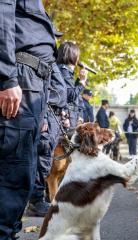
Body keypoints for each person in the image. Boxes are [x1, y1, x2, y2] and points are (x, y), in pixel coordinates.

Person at [0, 1, 59, 238]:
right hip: (20, 77)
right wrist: (6, 77)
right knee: (13, 173)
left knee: (22, 171)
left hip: (32, 82)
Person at [27, 62, 67, 217]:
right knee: (42, 160)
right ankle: (36, 201)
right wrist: (42, 115)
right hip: (45, 114)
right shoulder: (48, 60)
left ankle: (38, 200)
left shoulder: (51, 61)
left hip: (53, 116)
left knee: (44, 162)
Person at [57, 41, 87, 135]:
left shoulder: (63, 70)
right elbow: (70, 96)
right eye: (77, 55)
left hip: (70, 116)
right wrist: (82, 81)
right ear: (72, 55)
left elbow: (70, 91)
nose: (78, 58)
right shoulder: (63, 70)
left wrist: (78, 79)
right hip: (66, 118)